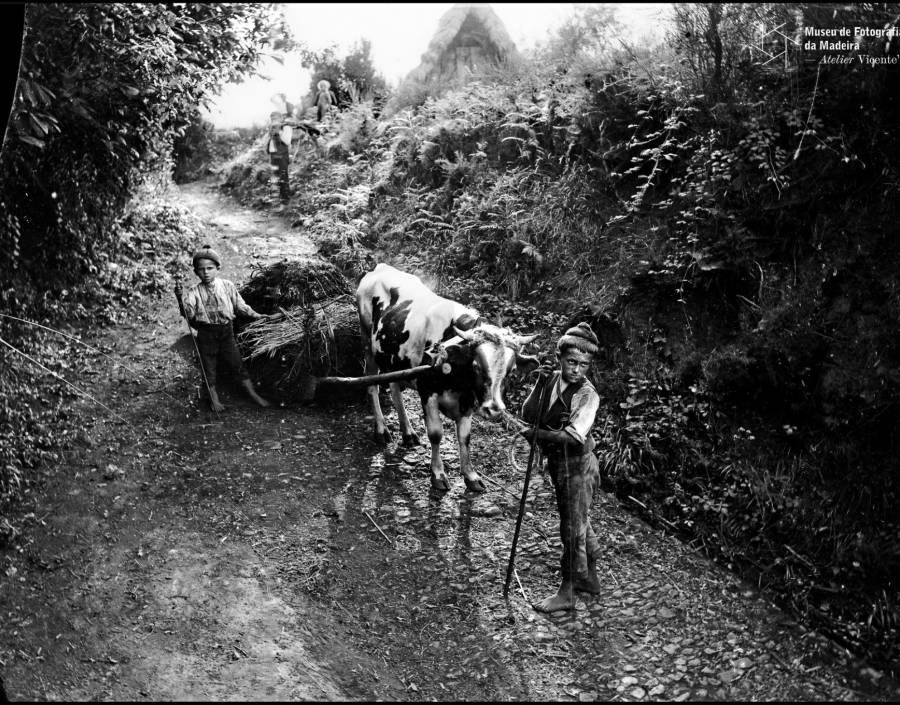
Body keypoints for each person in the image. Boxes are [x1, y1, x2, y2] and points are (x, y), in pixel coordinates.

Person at [519, 322, 603, 612]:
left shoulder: (587, 395)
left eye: (584, 364)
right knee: (578, 520)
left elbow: (572, 436)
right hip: (559, 464)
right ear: (560, 358)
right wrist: (540, 384)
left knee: (571, 528)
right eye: (571, 362)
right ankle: (590, 580)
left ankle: (567, 593)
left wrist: (538, 435)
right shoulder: (552, 379)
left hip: (579, 466)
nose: (577, 369)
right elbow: (528, 413)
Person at [180, 245, 271, 412]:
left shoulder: (227, 286)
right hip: (206, 333)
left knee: (237, 363)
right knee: (208, 366)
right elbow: (189, 314)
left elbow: (241, 306)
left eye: (210, 268)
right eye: (201, 269)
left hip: (226, 331)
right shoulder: (194, 292)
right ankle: (214, 400)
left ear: (218, 268)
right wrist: (180, 300)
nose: (206, 272)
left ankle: (253, 395)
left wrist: (257, 315)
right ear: (196, 272)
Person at [267, 110, 297, 202]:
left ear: (281, 118)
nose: (273, 120)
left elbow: (287, 141)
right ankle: (276, 199)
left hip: (282, 156)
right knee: (274, 178)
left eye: (275, 118)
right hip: (273, 156)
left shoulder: (286, 127)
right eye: (272, 119)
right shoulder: (272, 128)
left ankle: (285, 200)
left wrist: (279, 131)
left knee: (283, 177)